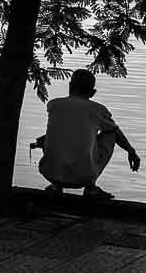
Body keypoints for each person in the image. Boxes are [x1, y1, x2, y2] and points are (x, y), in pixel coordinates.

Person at [33, 68, 140, 201]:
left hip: (49, 173)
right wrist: (131, 151)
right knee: (111, 132)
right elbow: (115, 131)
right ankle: (91, 188)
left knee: (55, 135)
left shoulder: (53, 105)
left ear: (70, 87)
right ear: (93, 92)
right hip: (83, 177)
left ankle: (56, 186)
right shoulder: (98, 109)